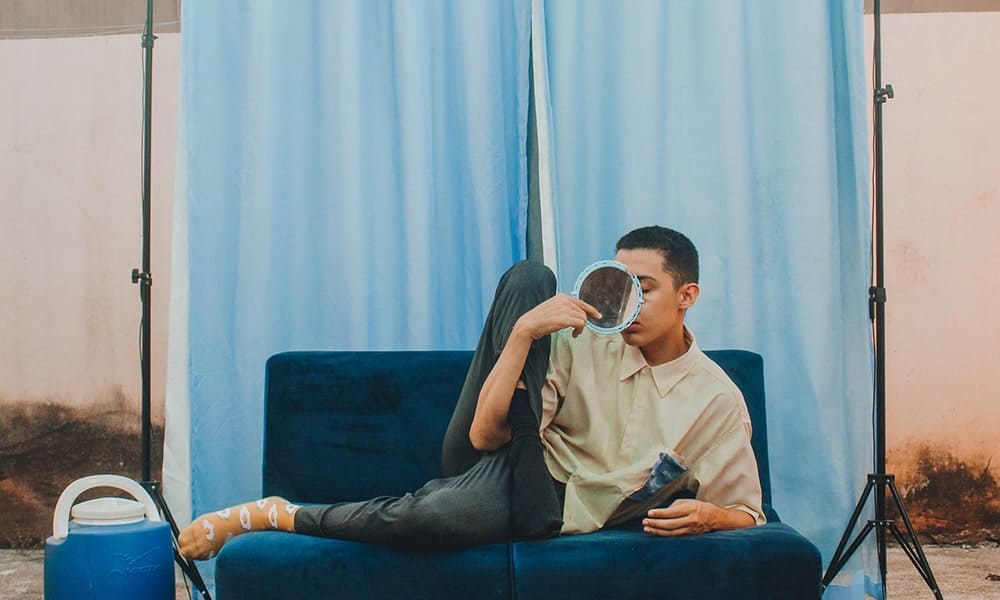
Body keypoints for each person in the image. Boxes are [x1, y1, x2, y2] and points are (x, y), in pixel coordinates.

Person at [178, 226, 763, 560]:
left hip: (551, 503)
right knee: (530, 278)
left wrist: (711, 515)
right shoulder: (583, 336)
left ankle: (280, 514)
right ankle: (275, 513)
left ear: (687, 296)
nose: (628, 302)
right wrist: (525, 331)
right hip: (506, 453)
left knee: (432, 518)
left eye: (646, 289)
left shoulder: (715, 399)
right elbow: (482, 438)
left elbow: (748, 513)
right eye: (622, 285)